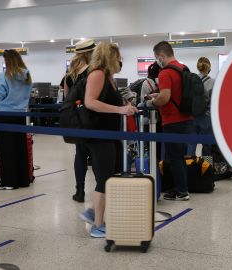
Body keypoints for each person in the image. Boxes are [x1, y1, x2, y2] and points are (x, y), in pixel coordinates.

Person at [79, 42, 138, 238]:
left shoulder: (109, 76)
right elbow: (90, 102)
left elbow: (108, 100)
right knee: (104, 179)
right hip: (99, 135)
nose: (120, 60)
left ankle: (93, 212)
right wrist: (120, 109)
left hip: (110, 134)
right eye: (118, 56)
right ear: (109, 56)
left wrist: (125, 104)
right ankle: (97, 225)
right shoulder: (97, 73)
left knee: (112, 175)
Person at [149, 41, 193, 201]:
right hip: (186, 119)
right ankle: (180, 187)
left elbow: (165, 97)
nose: (156, 61)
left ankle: (182, 191)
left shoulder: (165, 73)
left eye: (156, 57)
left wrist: (153, 101)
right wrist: (159, 96)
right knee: (180, 157)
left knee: (174, 157)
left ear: (162, 55)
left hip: (172, 120)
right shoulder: (183, 68)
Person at [0, 49, 33, 190]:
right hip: (21, 115)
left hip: (5, 114)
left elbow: (0, 94)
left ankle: (9, 181)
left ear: (7, 61)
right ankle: (23, 180)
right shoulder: (27, 75)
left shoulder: (4, 76)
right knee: (20, 147)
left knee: (7, 149)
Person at [64, 39, 96, 203]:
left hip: (77, 120)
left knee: (80, 154)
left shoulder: (69, 75)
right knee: (97, 154)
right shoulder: (94, 72)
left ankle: (80, 191)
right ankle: (101, 190)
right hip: (93, 117)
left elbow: (66, 99)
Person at [187, 57, 216, 156]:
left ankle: (189, 167)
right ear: (209, 68)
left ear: (198, 67)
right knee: (207, 146)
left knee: (190, 144)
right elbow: (214, 103)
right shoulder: (213, 82)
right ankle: (206, 168)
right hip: (206, 117)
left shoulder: (191, 81)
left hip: (192, 116)